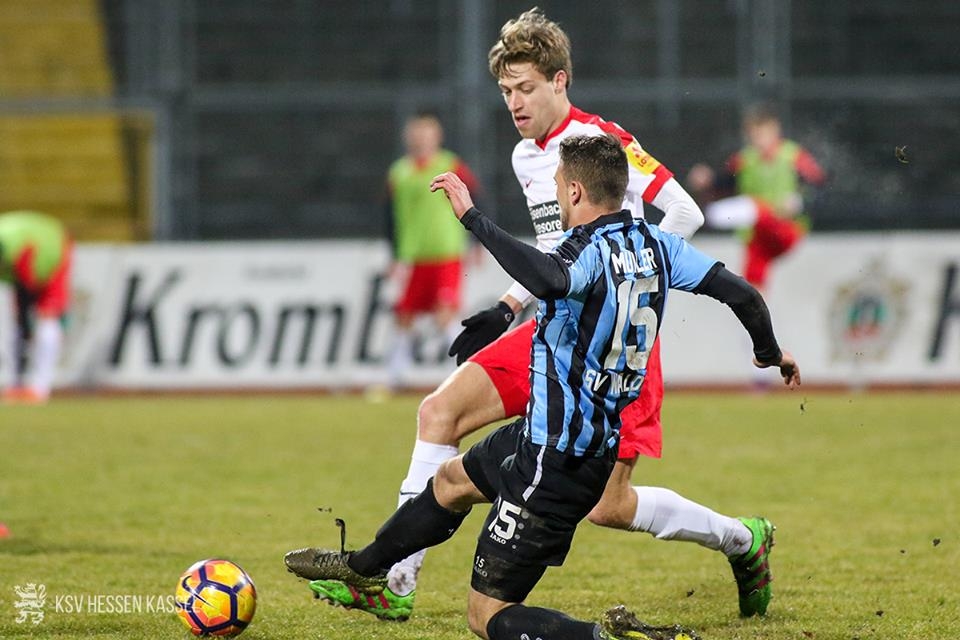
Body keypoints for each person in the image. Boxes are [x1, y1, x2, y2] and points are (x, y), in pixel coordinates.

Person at [306, 7, 777, 622]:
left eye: (526, 88)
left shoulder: (604, 144)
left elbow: (684, 213)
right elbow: (557, 255)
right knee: (439, 412)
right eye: (506, 91)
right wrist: (508, 306)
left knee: (610, 506)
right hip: (549, 330)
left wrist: (630, 285)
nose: (515, 103)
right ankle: (394, 581)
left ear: (560, 81)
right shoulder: (526, 156)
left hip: (612, 346)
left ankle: (742, 540)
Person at [384, 111, 483, 388]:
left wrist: (477, 241)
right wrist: (393, 255)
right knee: (404, 314)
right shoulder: (399, 172)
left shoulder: (450, 165)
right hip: (413, 256)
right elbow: (389, 217)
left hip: (446, 252)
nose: (421, 139)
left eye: (427, 134)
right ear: (408, 137)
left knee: (445, 312)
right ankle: (395, 377)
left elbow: (475, 199)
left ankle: (466, 374)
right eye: (417, 134)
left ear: (437, 137)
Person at [686, 103, 826, 291]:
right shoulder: (745, 159)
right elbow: (725, 182)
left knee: (755, 208)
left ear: (775, 130)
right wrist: (707, 180)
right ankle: (757, 311)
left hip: (785, 228)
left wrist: (798, 203)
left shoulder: (793, 156)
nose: (759, 141)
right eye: (754, 136)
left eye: (762, 134)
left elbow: (818, 187)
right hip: (757, 235)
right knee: (751, 286)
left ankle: (722, 215)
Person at [0, 210, 72, 404]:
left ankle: (39, 388)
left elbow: (27, 286)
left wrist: (25, 321)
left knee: (46, 316)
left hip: (55, 251)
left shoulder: (15, 248)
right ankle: (15, 384)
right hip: (29, 256)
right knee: (19, 319)